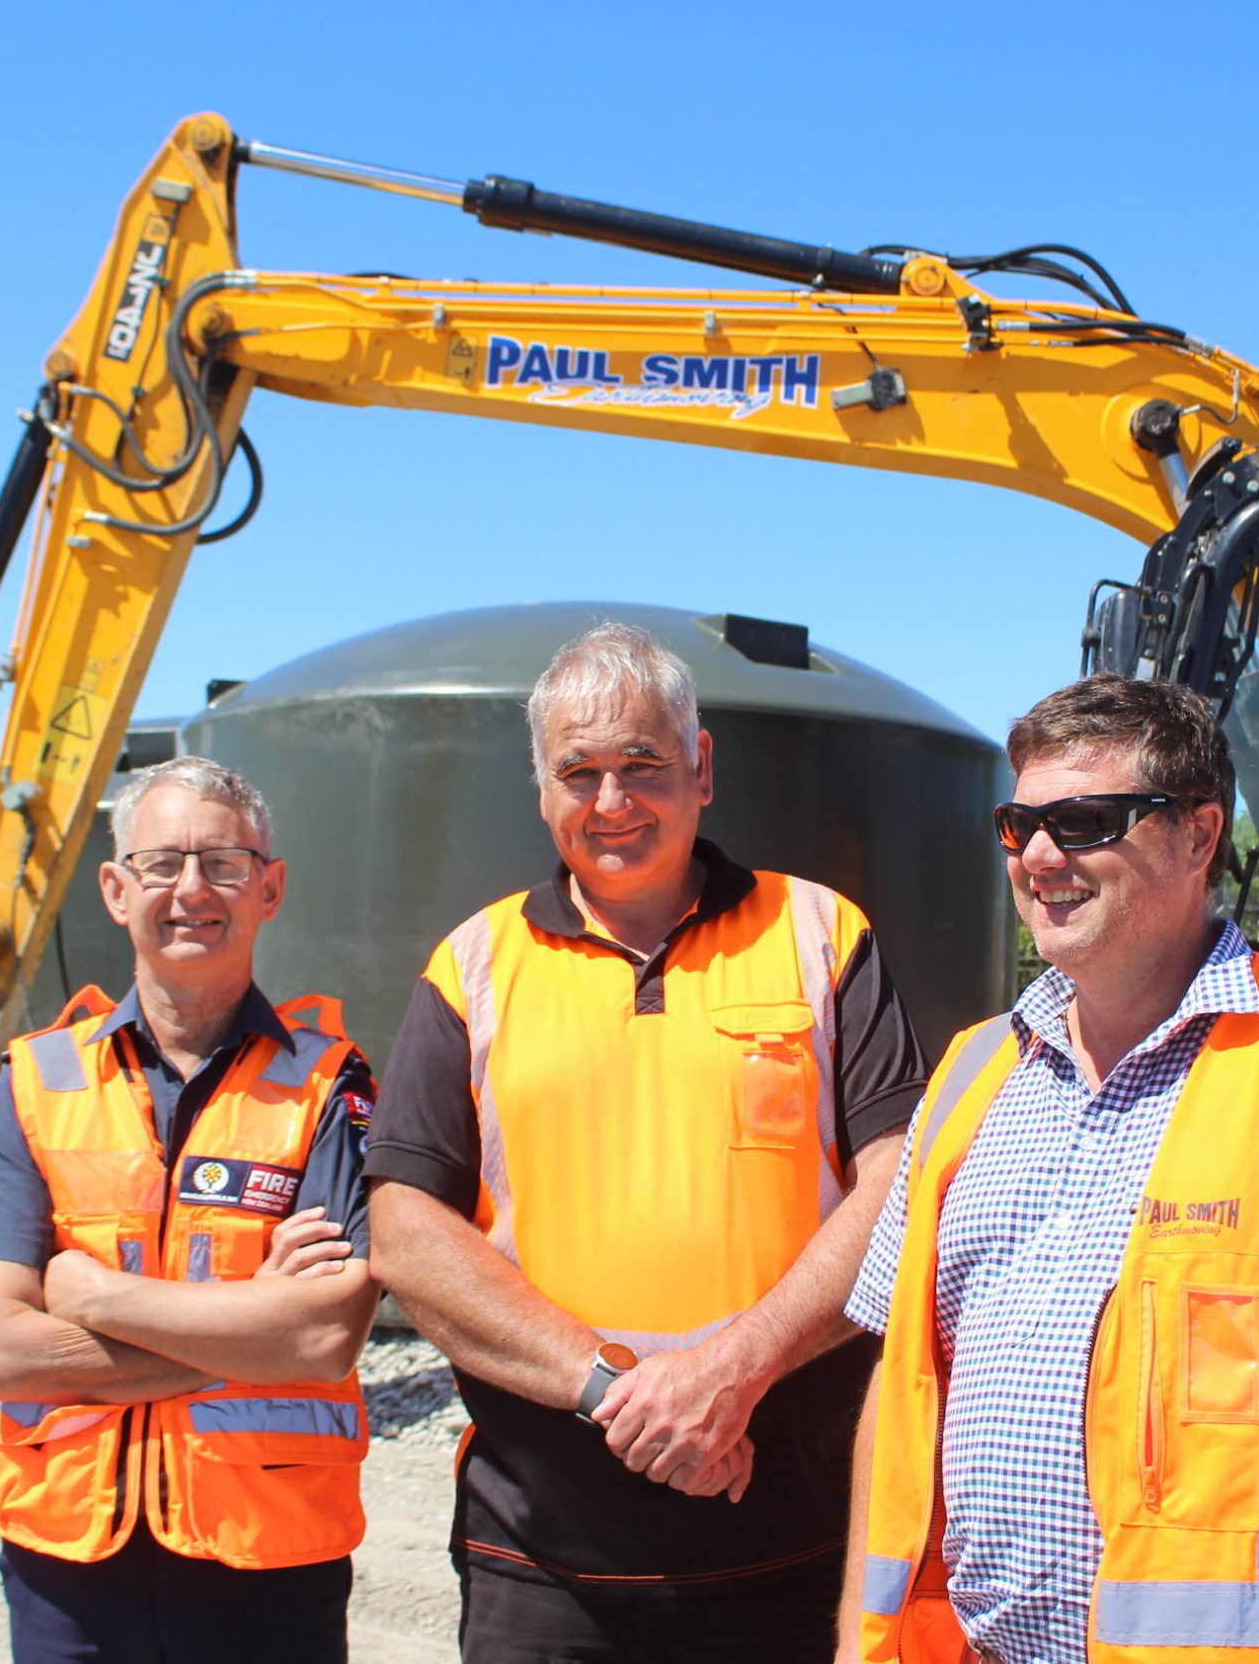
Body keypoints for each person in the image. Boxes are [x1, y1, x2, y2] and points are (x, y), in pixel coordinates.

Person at [841, 675, 1259, 1664]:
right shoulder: (969, 1075)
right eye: (1018, 824)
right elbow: (901, 1386)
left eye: (1083, 821)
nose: (1039, 856)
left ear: (1198, 836)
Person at [366, 620, 930, 1664]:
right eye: (578, 771)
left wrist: (736, 1369)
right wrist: (621, 1391)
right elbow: (402, 1230)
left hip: (792, 1546)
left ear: (701, 768)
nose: (612, 802)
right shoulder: (475, 963)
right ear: (540, 789)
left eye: (643, 765)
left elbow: (900, 1187)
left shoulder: (818, 931)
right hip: (542, 1564)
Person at [0, 755, 379, 1664]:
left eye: (223, 863)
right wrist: (242, 1326)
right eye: (161, 864)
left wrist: (92, 1295)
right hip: (69, 1569)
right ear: (115, 888)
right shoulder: (37, 1081)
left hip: (268, 1564)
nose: (192, 889)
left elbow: (318, 1341)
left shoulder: (327, 1087)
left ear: (270, 887)